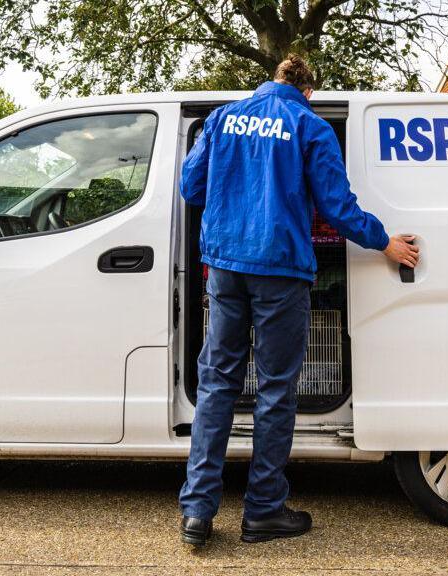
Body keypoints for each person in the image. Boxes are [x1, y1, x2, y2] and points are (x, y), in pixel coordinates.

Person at [178, 54, 419, 546]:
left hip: (225, 268)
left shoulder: (223, 118)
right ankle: (263, 511)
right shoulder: (309, 127)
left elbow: (190, 185)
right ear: (309, 91)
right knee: (274, 389)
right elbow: (337, 206)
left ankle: (198, 513)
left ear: (271, 81)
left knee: (217, 384)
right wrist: (385, 242)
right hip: (281, 273)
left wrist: (235, 196)